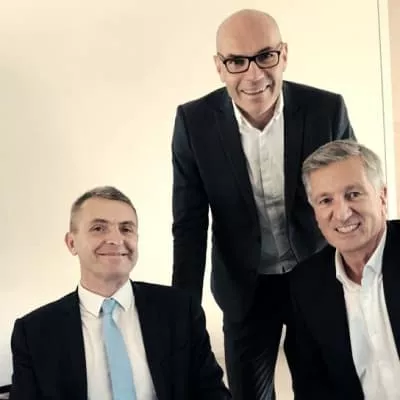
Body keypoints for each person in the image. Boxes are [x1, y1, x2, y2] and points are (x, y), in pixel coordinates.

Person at [171, 8, 355, 399]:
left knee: (326, 389)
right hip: (244, 286)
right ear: (219, 67)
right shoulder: (193, 122)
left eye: (265, 56)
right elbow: (189, 225)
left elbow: (353, 197)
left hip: (316, 275)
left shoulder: (326, 110)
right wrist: (181, 315)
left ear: (283, 55)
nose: (254, 75)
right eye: (237, 62)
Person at [10, 186, 230, 400]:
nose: (116, 240)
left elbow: (212, 393)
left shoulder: (180, 311)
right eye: (99, 228)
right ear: (71, 243)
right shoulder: (34, 332)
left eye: (126, 229)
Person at [290, 140, 400, 400]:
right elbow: (310, 386)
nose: (341, 214)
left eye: (353, 194)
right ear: (315, 213)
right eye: (326, 200)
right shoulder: (305, 285)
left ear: (382, 196)